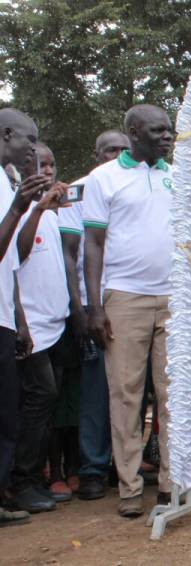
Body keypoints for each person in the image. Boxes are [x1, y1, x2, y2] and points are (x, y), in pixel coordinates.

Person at [83, 104, 175, 518]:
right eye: (158, 131)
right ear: (134, 131)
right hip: (124, 299)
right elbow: (93, 244)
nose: (168, 137)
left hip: (174, 298)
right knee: (126, 395)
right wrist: (94, 305)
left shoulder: (174, 175)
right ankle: (129, 488)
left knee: (175, 393)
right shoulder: (104, 178)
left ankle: (173, 485)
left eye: (170, 130)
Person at [59, 130, 130, 501]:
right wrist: (81, 309)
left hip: (132, 300)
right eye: (109, 150)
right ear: (96, 153)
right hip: (95, 305)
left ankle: (125, 464)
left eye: (122, 150)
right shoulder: (80, 190)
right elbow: (71, 254)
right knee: (96, 392)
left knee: (132, 391)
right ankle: (92, 468)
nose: (116, 155)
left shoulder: (137, 181)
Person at [8, 143, 69, 513]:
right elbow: (18, 254)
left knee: (47, 404)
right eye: (37, 165)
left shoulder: (54, 211)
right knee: (37, 398)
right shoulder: (19, 209)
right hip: (28, 324)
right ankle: (22, 480)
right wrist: (37, 208)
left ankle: (38, 476)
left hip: (55, 322)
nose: (46, 171)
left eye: (50, 164)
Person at [0, 108, 48, 527]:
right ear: (6, 133)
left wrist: (18, 319)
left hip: (3, 316)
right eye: (29, 139)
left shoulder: (6, 181)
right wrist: (19, 207)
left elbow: (11, 263)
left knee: (7, 413)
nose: (32, 147)